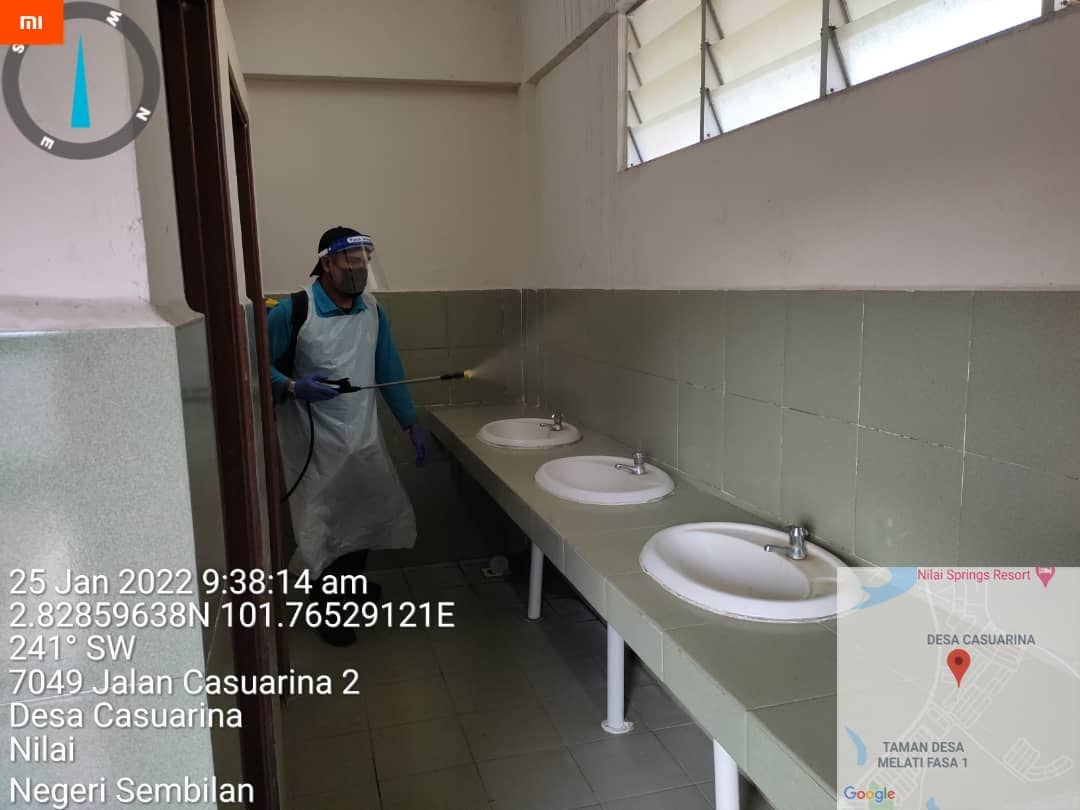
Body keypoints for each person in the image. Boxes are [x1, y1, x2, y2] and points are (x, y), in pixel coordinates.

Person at [267, 226, 429, 646]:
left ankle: (350, 589)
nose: (359, 269)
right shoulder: (294, 311)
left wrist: (409, 422)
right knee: (324, 524)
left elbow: (388, 368)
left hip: (361, 437)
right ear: (326, 263)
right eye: (351, 261)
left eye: (365, 261)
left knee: (363, 515)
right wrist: (291, 386)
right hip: (313, 443)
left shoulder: (371, 310)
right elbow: (254, 365)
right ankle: (329, 609)